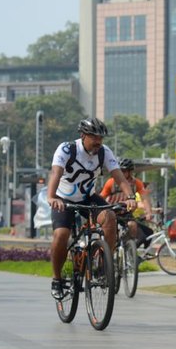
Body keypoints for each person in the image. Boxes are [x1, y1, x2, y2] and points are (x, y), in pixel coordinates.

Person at [46, 118, 137, 299]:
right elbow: (56, 173)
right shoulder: (67, 149)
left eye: (100, 138)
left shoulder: (104, 152)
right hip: (63, 199)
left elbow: (119, 177)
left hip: (88, 197)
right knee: (61, 235)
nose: (98, 141)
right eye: (94, 137)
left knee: (110, 217)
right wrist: (51, 196)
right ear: (83, 135)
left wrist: (130, 197)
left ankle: (103, 265)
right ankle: (56, 279)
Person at [101, 158, 155, 244]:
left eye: (124, 171)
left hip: (126, 212)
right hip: (112, 210)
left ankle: (128, 247)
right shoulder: (111, 182)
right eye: (120, 170)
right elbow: (102, 197)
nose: (121, 173)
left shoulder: (136, 183)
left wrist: (149, 212)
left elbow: (145, 198)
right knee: (109, 230)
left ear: (130, 172)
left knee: (132, 225)